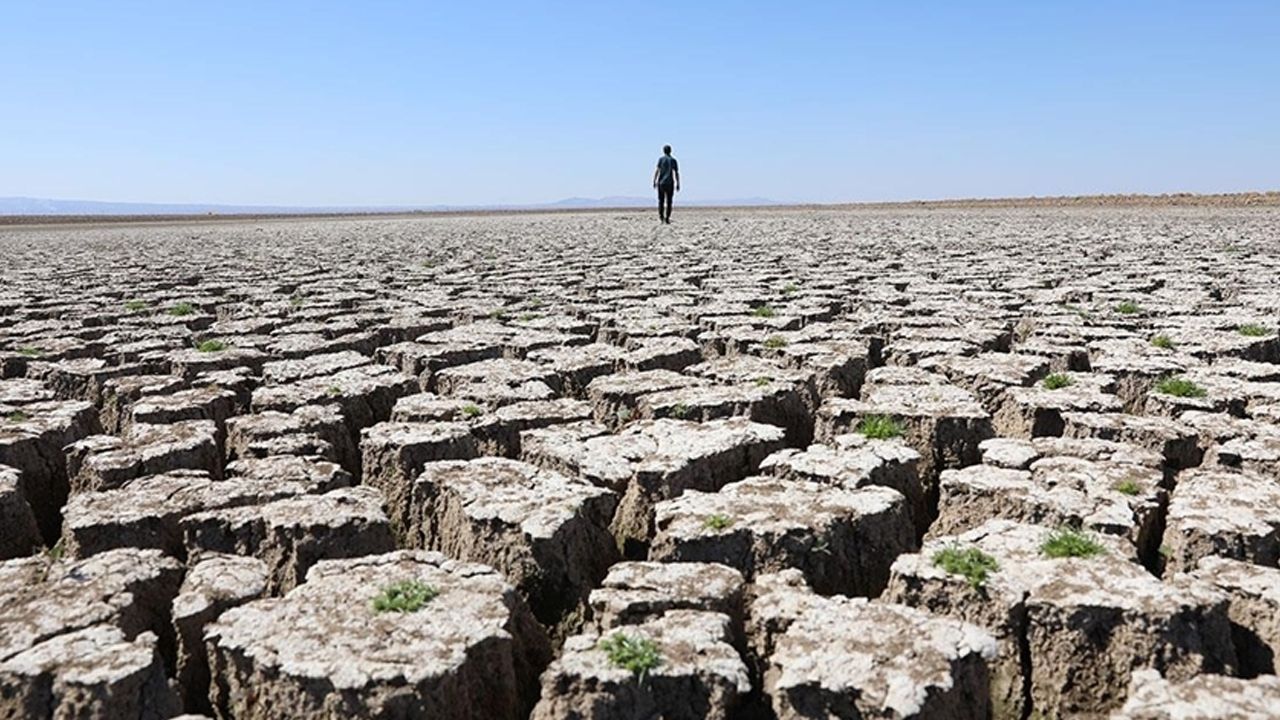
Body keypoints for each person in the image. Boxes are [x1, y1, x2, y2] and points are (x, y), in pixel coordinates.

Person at [652, 145, 680, 223]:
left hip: (661, 183)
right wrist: (678, 183)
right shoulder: (673, 160)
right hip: (670, 183)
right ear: (670, 151)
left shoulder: (661, 160)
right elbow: (676, 173)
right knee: (669, 201)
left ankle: (661, 217)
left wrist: (654, 180)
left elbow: (657, 170)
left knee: (661, 200)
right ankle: (667, 217)